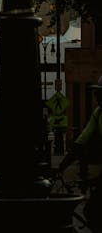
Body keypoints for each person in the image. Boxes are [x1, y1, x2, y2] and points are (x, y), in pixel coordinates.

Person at [58, 75, 102, 232]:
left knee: (93, 210)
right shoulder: (98, 113)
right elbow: (80, 144)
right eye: (97, 93)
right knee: (92, 210)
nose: (97, 97)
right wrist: (61, 167)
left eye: (100, 93)